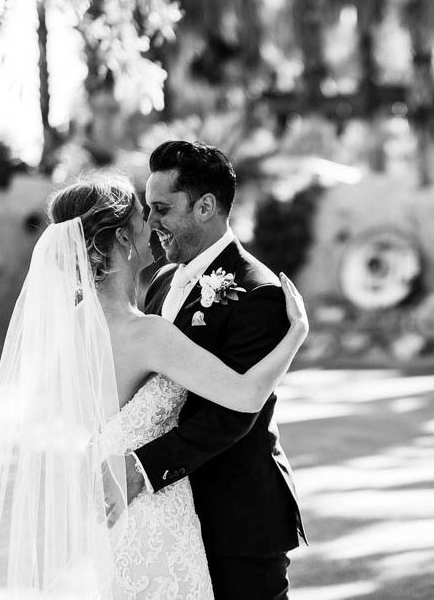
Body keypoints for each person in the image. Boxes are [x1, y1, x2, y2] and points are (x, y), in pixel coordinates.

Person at [0, 174, 308, 599]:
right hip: (155, 518)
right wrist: (296, 337)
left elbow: (72, 420)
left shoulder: (71, 330)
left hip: (110, 517)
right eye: (146, 214)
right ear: (123, 236)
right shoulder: (147, 334)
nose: (154, 224)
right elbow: (246, 394)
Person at [124, 140, 307, 599]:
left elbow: (234, 413)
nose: (151, 224)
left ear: (205, 206)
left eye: (162, 209)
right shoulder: (163, 280)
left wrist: (142, 467)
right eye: (149, 210)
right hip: (171, 515)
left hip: (239, 516)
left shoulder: (258, 291)